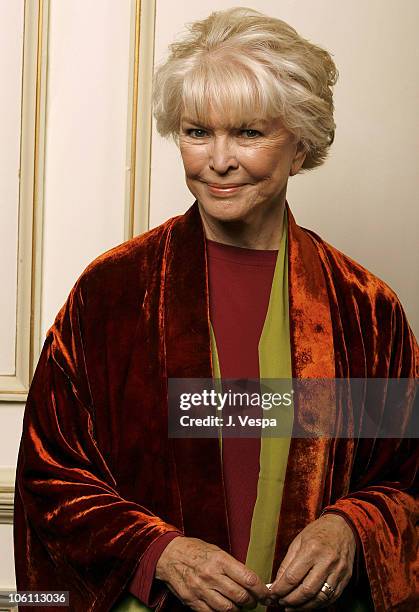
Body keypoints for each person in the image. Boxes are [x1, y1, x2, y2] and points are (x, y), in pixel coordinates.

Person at [14, 7, 418, 612]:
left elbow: (405, 475)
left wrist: (353, 527)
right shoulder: (111, 294)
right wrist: (157, 553)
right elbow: (51, 476)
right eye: (198, 131)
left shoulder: (363, 309)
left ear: (301, 146)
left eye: (249, 134)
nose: (218, 161)